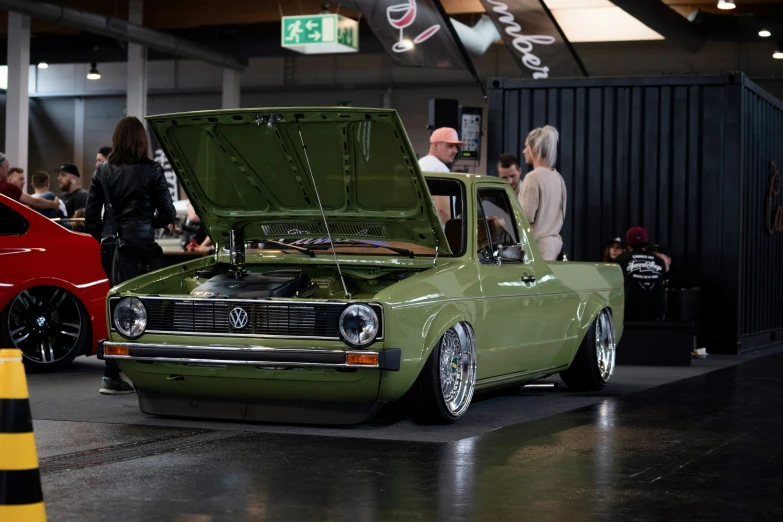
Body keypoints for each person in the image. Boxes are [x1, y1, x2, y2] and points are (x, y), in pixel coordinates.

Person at [84, 116, 177, 395]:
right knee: (146, 308)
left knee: (118, 305)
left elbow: (90, 218)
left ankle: (113, 374)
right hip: (141, 249)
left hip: (110, 249)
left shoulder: (102, 171)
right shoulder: (152, 170)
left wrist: (106, 237)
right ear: (141, 140)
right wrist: (148, 223)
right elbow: (169, 214)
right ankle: (127, 372)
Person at [519, 126, 567, 261]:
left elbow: (524, 216)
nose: (523, 151)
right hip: (554, 248)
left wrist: (499, 222)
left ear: (534, 149)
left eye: (526, 146)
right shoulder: (558, 178)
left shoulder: (533, 177)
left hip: (535, 251)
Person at [615, 227, 667, 321]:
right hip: (656, 311)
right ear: (646, 243)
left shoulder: (621, 259)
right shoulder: (659, 260)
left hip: (630, 311)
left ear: (629, 245)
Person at [418, 127, 465, 226]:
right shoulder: (439, 168)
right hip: (438, 236)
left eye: (456, 146)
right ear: (436, 146)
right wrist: (455, 232)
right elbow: (442, 209)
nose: (455, 151)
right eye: (450, 146)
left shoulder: (420, 164)